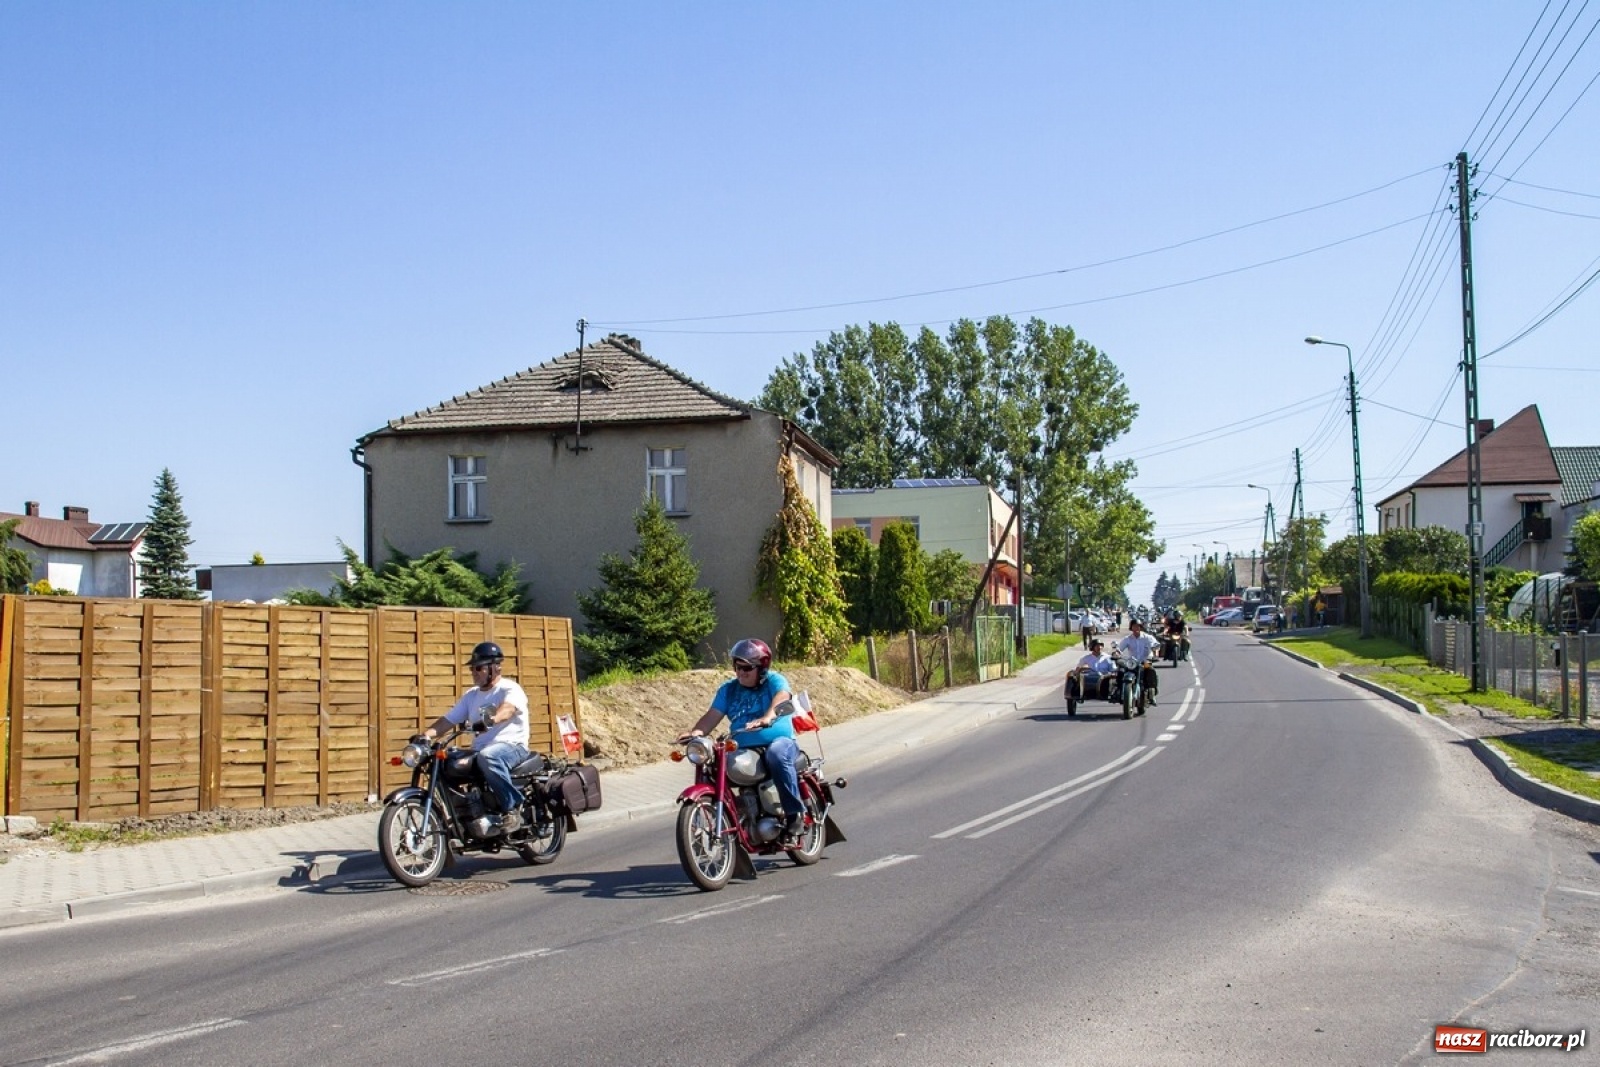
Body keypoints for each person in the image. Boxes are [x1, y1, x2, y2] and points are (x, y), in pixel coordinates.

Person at [679, 638, 806, 840]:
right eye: (737, 667)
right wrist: (696, 733)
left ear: (762, 668)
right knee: (715, 764)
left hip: (779, 741)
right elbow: (713, 715)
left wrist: (767, 717)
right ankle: (736, 817)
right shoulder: (728, 689)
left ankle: (794, 815)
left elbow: (782, 696)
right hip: (744, 747)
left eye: (747, 668)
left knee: (776, 754)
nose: (741, 672)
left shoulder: (774, 680)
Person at [419, 641, 531, 834]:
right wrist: (424, 737)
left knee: (488, 756)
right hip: (480, 750)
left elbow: (507, 710)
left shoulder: (509, 689)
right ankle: (464, 815)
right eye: (472, 668)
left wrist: (490, 721)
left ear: (494, 668)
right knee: (445, 762)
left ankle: (511, 809)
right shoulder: (471, 695)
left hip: (512, 746)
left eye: (478, 668)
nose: (474, 672)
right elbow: (448, 720)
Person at [1115, 618, 1161, 706]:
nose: (1136, 628)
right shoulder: (1127, 639)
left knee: (1151, 671)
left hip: (1145, 661)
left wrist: (1155, 654)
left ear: (1141, 627)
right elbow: (1119, 649)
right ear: (1131, 627)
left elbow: (1155, 646)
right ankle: (1120, 692)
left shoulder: (1148, 637)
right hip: (1132, 663)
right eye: (1134, 626)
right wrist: (1116, 654)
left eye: (1138, 626)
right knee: (1120, 671)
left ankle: (1152, 693)